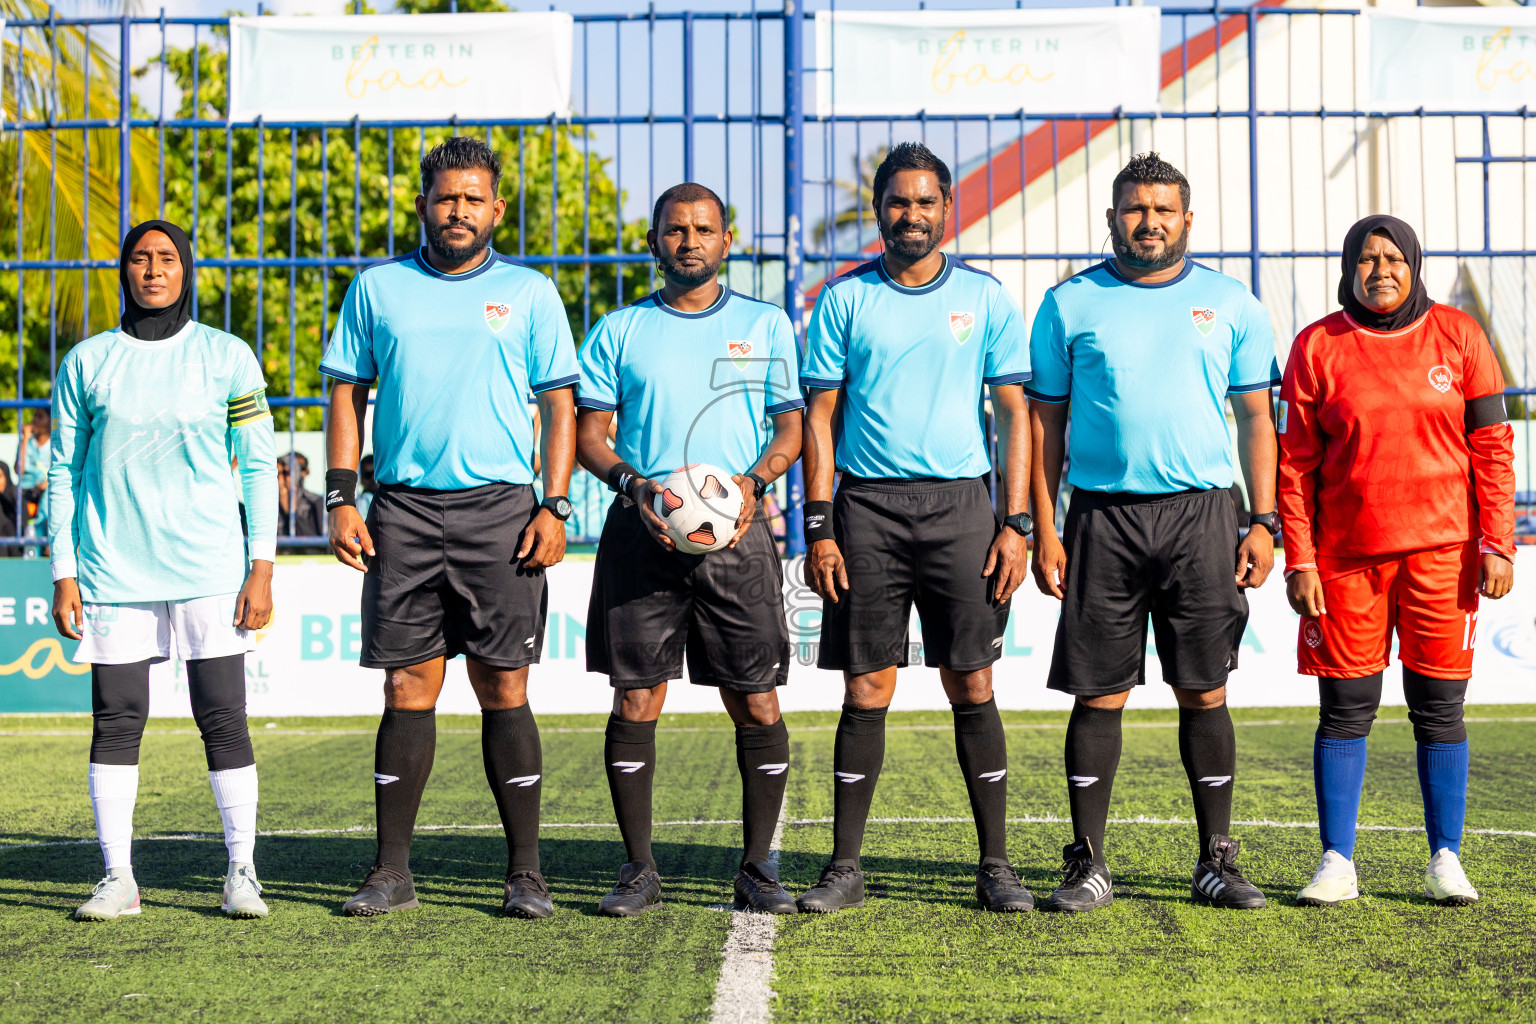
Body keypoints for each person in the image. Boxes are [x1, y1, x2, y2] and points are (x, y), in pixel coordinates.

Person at [321, 136, 578, 920]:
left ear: (497, 208)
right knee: (409, 685)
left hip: (502, 513)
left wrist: (555, 504)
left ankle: (524, 874)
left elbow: (560, 403)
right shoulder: (378, 289)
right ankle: (392, 872)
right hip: (400, 509)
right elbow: (346, 395)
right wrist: (339, 496)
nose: (459, 210)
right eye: (446, 197)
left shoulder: (531, 293)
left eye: (474, 198)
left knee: (504, 684)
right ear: (423, 205)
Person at [1027, 153, 1279, 913]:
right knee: (1098, 694)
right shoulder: (1068, 304)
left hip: (1204, 513)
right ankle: (1087, 863)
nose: (1150, 222)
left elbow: (1257, 418)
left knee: (1204, 690)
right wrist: (1044, 525)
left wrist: (1262, 520)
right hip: (1102, 516)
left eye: (1164, 210)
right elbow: (1044, 424)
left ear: (1188, 221)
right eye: (1136, 209)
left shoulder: (1232, 303)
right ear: (1112, 218)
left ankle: (1218, 860)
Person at [799, 142, 1035, 913]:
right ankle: (843, 867)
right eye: (898, 202)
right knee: (868, 684)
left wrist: (1018, 520)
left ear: (946, 209)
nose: (912, 214)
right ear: (879, 211)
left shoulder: (986, 298)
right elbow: (821, 419)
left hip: (963, 509)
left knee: (971, 680)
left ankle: (995, 865)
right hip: (866, 511)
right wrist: (820, 524)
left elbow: (1013, 414)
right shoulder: (842, 299)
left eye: (926, 201)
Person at [576, 182, 803, 916]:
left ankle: (758, 866)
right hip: (643, 533)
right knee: (637, 695)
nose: (690, 241)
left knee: (756, 698)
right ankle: (638, 869)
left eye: (705, 228)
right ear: (655, 242)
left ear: (726, 241)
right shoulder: (619, 331)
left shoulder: (766, 326)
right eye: (676, 230)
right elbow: (588, 435)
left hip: (738, 539)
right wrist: (635, 484)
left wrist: (750, 484)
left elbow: (791, 430)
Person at [1279, 215, 1515, 907]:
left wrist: (1497, 542)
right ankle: (1336, 862)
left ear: (1414, 265)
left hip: (1444, 557)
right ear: (1349, 268)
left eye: (1393, 259)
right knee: (1346, 709)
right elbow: (1295, 467)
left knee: (1439, 708)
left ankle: (1445, 858)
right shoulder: (1317, 346)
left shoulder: (1461, 337)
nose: (1380, 270)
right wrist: (1301, 558)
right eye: (1366, 259)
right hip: (1346, 560)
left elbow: (1494, 450)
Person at [48, 220, 277, 922]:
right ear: (124, 271)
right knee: (116, 720)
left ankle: (242, 871)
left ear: (187, 270)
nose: (153, 270)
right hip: (113, 571)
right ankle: (118, 878)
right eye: (141, 259)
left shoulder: (226, 356)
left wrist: (260, 565)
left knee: (223, 718)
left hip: (209, 568)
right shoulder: (87, 362)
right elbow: (63, 469)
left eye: (167, 258)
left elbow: (261, 464)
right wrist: (62, 571)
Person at [277, 451, 324, 538]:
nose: (280, 478)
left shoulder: (315, 502)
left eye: (286, 473)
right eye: (277, 473)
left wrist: (292, 513)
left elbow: (317, 546)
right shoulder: (266, 505)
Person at [16, 406, 50, 505]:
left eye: (40, 417)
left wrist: (46, 484)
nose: (35, 420)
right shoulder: (27, 443)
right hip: (26, 489)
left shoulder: (53, 444)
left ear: (50, 421)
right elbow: (19, 470)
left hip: (46, 489)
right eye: (35, 416)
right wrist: (25, 438)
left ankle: (40, 520)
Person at [356, 454, 377, 520]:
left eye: (375, 473)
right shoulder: (364, 501)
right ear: (361, 479)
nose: (373, 478)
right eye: (368, 475)